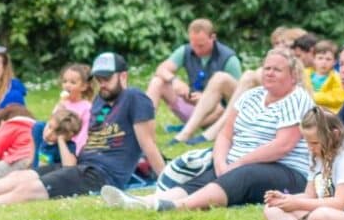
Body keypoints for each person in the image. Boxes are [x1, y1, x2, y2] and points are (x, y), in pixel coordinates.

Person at [102, 49, 314, 210]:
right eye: (267, 68)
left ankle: (177, 207)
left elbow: (283, 146)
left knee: (244, 174)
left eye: (277, 69)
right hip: (237, 164)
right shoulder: (251, 96)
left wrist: (238, 162)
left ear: (293, 76)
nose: (269, 73)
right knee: (209, 174)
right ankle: (145, 201)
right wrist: (221, 162)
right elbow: (225, 133)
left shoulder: (297, 98)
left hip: (285, 171)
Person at [0, 53, 164, 207]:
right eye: (98, 79)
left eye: (107, 78)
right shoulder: (99, 101)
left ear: (123, 76)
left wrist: (167, 181)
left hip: (101, 175)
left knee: (30, 189)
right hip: (80, 165)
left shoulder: (134, 97)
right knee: (19, 177)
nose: (102, 84)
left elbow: (148, 143)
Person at [147, 18, 242, 139]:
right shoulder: (185, 50)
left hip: (216, 111)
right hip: (192, 103)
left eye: (201, 45)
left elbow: (238, 98)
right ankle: (146, 125)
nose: (196, 50)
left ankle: (189, 128)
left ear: (213, 38)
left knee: (220, 108)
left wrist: (208, 99)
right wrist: (174, 80)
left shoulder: (229, 59)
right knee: (157, 82)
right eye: (193, 44)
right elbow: (161, 69)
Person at [36, 65, 94, 166]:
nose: (67, 85)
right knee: (38, 127)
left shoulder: (86, 107)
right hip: (52, 143)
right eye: (65, 81)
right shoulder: (63, 104)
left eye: (73, 82)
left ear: (84, 87)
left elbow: (83, 134)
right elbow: (51, 124)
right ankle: (36, 164)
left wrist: (76, 154)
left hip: (69, 146)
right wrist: (60, 106)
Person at [299, 35, 344, 114]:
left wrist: (314, 97)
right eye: (320, 58)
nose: (324, 62)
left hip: (327, 115)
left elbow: (339, 97)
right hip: (304, 112)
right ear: (314, 59)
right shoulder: (304, 74)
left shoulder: (337, 78)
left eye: (328, 59)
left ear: (335, 61)